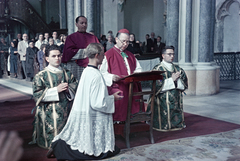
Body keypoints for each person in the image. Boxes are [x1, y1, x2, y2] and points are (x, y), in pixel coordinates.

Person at [50, 43, 122, 160]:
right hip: (94, 112)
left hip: (85, 111)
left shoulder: (87, 71)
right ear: (97, 55)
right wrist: (112, 98)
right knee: (101, 151)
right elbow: (98, 103)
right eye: (103, 55)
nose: (104, 57)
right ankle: (61, 149)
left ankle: (59, 146)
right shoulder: (96, 75)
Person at [31, 45, 78, 149]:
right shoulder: (41, 75)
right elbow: (37, 94)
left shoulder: (67, 73)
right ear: (47, 58)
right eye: (53, 56)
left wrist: (68, 90)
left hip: (66, 110)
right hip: (48, 112)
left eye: (59, 56)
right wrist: (55, 90)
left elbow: (75, 86)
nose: (57, 58)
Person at [100, 29, 143, 122]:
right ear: (116, 39)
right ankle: (119, 126)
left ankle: (132, 124)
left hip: (131, 86)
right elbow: (102, 73)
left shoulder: (131, 55)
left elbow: (138, 68)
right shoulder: (108, 55)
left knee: (132, 109)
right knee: (120, 110)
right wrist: (111, 77)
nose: (126, 44)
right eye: (123, 41)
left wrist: (136, 74)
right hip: (118, 86)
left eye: (127, 41)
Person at [147, 46, 188, 131]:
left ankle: (177, 124)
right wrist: (171, 80)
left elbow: (185, 85)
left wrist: (177, 80)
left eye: (173, 54)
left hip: (176, 98)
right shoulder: (157, 69)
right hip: (162, 100)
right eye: (169, 54)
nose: (172, 56)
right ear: (163, 55)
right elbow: (155, 86)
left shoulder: (178, 69)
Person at [61, 15, 99, 80]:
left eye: (86, 23)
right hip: (76, 67)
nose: (84, 25)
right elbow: (68, 52)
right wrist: (87, 51)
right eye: (82, 23)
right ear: (76, 24)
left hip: (91, 66)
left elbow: (99, 50)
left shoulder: (93, 37)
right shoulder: (71, 37)